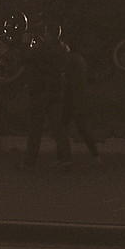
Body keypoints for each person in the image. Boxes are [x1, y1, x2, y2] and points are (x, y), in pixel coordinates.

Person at [22, 22, 72, 169]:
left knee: (35, 128)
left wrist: (26, 43)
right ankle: (65, 158)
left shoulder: (42, 49)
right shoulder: (63, 48)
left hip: (41, 90)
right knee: (58, 127)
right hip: (56, 90)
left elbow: (26, 58)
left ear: (48, 33)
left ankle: (29, 162)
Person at [61, 43, 101, 165]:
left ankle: (65, 157)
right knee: (82, 128)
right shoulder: (80, 60)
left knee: (62, 128)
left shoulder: (70, 61)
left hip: (71, 98)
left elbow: (69, 81)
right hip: (79, 98)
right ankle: (95, 156)